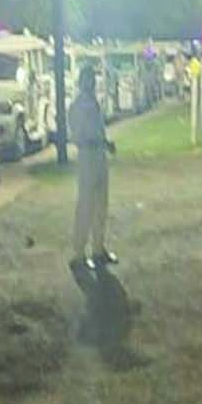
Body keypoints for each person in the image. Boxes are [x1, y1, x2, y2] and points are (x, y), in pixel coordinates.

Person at [70, 64, 115, 272]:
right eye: (88, 79)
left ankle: (98, 249)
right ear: (81, 82)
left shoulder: (93, 103)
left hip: (98, 155)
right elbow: (80, 135)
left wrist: (105, 143)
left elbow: (98, 130)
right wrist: (99, 142)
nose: (92, 83)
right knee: (86, 205)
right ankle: (79, 253)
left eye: (92, 79)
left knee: (100, 205)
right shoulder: (78, 106)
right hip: (87, 155)